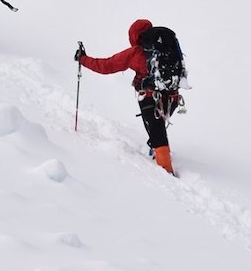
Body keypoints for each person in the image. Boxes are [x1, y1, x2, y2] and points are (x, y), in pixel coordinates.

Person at [76, 19, 179, 175]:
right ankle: (158, 152)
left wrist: (83, 59)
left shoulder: (136, 53)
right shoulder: (167, 47)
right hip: (173, 96)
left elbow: (106, 66)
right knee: (157, 127)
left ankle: (166, 171)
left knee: (156, 130)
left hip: (150, 97)